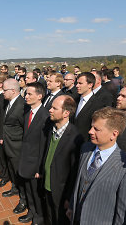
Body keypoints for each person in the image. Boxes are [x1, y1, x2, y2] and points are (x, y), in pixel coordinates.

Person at [67, 107, 126, 225]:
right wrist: (72, 206)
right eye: (91, 127)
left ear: (114, 134)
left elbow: (122, 214)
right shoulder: (85, 149)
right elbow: (78, 183)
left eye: (96, 129)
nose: (90, 131)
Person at [42, 95, 83, 225]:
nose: (50, 110)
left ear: (66, 113)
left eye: (54, 108)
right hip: (47, 184)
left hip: (60, 192)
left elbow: (74, 171)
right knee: (48, 215)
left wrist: (68, 197)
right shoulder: (51, 129)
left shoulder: (76, 138)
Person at [18, 82, 49, 224]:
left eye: (30, 94)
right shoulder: (27, 112)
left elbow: (44, 146)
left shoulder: (45, 117)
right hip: (25, 159)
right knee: (28, 190)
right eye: (26, 93)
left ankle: (39, 217)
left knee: (36, 193)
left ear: (40, 96)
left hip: (35, 163)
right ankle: (31, 211)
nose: (26, 96)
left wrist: (39, 168)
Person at [1, 79, 28, 215]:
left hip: (17, 147)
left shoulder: (22, 106)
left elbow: (26, 129)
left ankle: (23, 199)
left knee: (19, 173)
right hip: (8, 143)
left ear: (13, 91)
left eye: (4, 90)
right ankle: (15, 188)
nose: (2, 91)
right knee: (12, 170)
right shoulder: (10, 102)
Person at [73, 72, 111, 141]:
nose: (77, 86)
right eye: (77, 83)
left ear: (90, 85)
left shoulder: (98, 105)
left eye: (80, 83)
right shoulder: (75, 100)